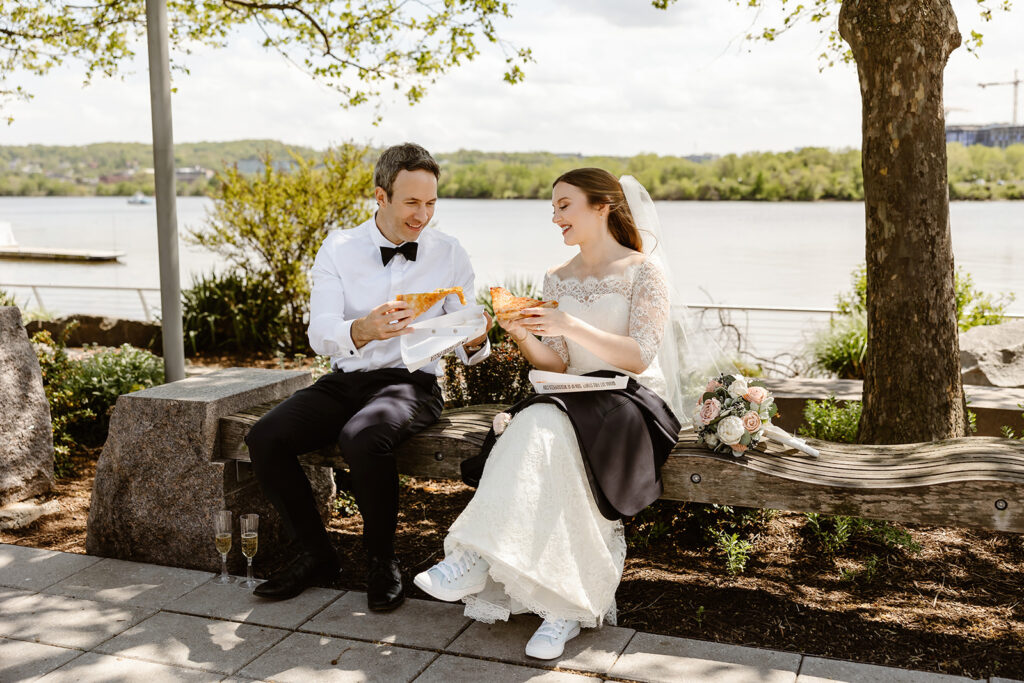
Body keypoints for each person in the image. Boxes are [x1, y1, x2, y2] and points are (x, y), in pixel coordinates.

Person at [414, 168, 681, 659]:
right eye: (553, 208)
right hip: (569, 395)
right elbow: (555, 362)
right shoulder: (557, 278)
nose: (554, 217)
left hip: (629, 400)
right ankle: (561, 608)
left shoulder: (645, 271)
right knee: (540, 425)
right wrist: (520, 333)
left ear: (602, 206)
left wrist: (569, 323)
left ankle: (479, 560)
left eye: (564, 205)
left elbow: (640, 354)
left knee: (540, 423)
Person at [245, 142, 491, 610]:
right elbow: (320, 333)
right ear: (381, 197)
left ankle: (382, 559)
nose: (423, 215)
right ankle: (317, 554)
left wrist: (477, 339)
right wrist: (362, 329)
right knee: (265, 437)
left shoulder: (450, 253)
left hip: (411, 383)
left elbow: (465, 338)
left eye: (431, 203)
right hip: (345, 378)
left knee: (364, 437)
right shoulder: (339, 248)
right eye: (412, 203)